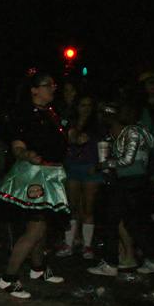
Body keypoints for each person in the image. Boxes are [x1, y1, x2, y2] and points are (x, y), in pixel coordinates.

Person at [0, 72, 69, 299]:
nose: (53, 88)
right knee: (37, 226)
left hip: (50, 173)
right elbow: (17, 146)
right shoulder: (24, 114)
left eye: (53, 85)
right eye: (48, 85)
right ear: (35, 90)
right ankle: (8, 278)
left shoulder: (51, 113)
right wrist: (26, 154)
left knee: (42, 221)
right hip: (35, 175)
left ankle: (38, 268)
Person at [87, 100, 154, 276]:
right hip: (135, 182)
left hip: (132, 182)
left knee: (113, 220)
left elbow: (128, 161)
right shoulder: (133, 131)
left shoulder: (132, 131)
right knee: (135, 223)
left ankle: (111, 264)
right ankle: (153, 260)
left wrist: (102, 165)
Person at [57, 95, 103, 259]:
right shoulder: (70, 123)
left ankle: (87, 245)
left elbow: (104, 147)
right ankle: (69, 243)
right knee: (73, 207)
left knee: (88, 208)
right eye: (83, 105)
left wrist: (98, 166)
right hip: (73, 166)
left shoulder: (98, 124)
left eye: (89, 105)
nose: (86, 109)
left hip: (91, 168)